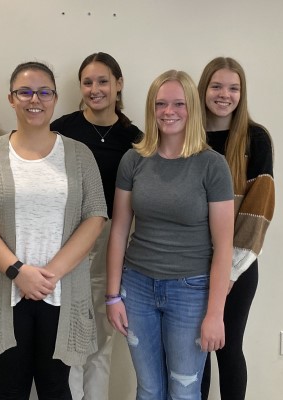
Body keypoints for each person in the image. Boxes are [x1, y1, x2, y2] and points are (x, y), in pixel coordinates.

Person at [0, 61, 107, 400]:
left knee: (56, 388)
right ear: (11, 99)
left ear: (55, 99)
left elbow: (95, 216)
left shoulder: (80, 155)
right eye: (24, 92)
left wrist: (50, 274)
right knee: (9, 389)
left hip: (61, 291)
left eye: (43, 92)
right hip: (4, 290)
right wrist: (18, 271)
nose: (34, 99)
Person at [106, 70, 234, 400]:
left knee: (184, 389)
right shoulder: (133, 160)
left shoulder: (212, 165)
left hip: (191, 291)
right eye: (161, 103)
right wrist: (112, 295)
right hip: (137, 288)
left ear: (191, 108)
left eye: (178, 103)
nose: (169, 111)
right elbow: (119, 230)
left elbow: (223, 246)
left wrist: (216, 314)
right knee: (148, 389)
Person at [50, 52, 141, 400]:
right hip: (65, 242)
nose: (95, 89)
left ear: (119, 85)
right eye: (87, 82)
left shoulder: (136, 139)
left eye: (103, 81)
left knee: (102, 342)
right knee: (69, 340)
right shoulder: (62, 131)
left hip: (113, 244)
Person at [198, 57, 275, 400]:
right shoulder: (188, 135)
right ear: (203, 89)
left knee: (227, 349)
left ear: (242, 94)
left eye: (233, 88)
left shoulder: (255, 139)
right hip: (190, 263)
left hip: (237, 267)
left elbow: (258, 211)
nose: (224, 94)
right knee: (195, 351)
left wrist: (229, 270)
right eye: (216, 86)